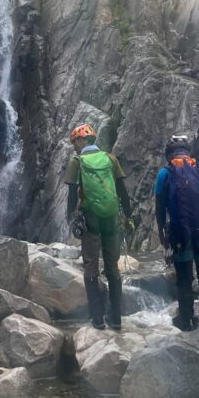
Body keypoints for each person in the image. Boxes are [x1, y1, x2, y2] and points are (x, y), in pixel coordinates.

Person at [64, 123, 135, 330]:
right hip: (112, 219)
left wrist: (71, 219)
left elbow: (71, 195)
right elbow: (122, 191)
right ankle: (116, 319)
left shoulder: (77, 162)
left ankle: (97, 320)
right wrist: (128, 217)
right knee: (112, 268)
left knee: (91, 267)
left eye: (75, 142)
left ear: (81, 141)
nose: (74, 147)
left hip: (91, 219)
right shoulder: (110, 159)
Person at [154, 133, 199, 331]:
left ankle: (186, 321)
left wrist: (162, 232)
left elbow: (160, 208)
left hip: (180, 233)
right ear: (187, 152)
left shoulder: (165, 174)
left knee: (184, 279)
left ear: (170, 154)